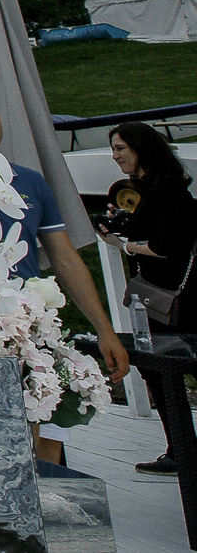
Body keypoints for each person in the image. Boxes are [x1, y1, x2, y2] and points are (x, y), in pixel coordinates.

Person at [0, 81, 129, 463]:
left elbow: (64, 258)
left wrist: (104, 329)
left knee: (45, 443)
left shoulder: (30, 181)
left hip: (32, 330)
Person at [101, 119, 197, 476]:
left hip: (176, 300)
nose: (115, 156)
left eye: (120, 149)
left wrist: (124, 245)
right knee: (157, 369)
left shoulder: (166, 190)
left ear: (141, 149)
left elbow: (166, 246)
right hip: (165, 297)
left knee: (162, 370)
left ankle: (182, 451)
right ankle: (181, 449)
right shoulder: (154, 187)